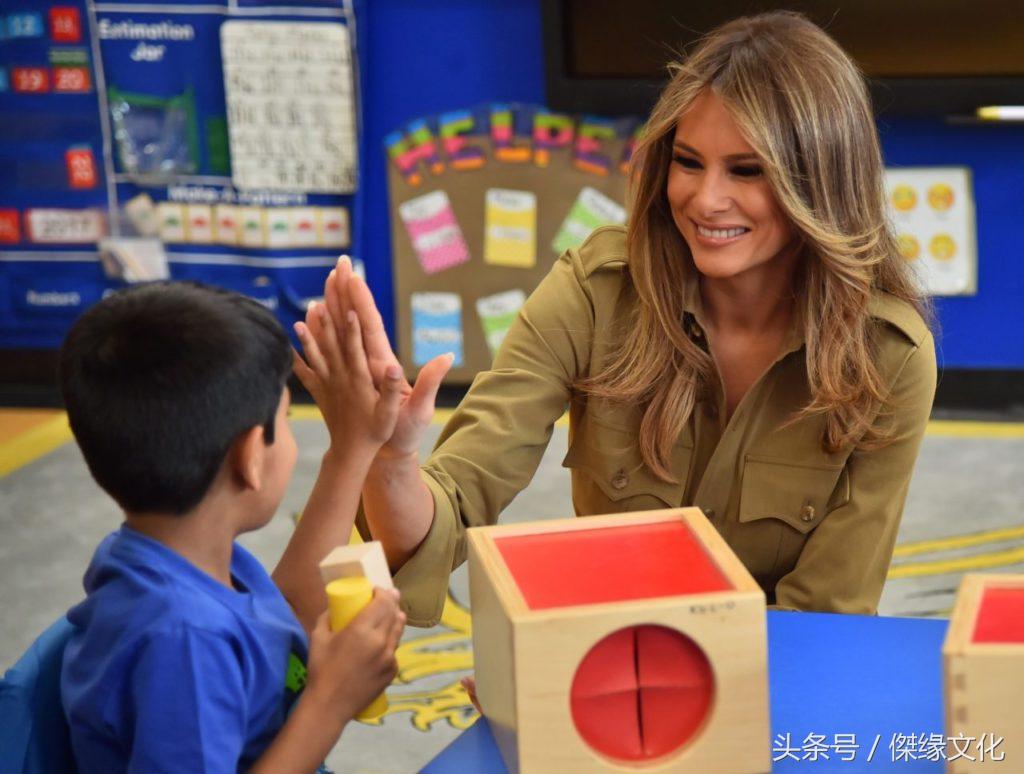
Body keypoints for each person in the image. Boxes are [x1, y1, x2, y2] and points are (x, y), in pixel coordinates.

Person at [333, 10, 937, 623]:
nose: (705, 199)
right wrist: (389, 458)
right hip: (609, 652)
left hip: (775, 668)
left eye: (747, 170)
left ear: (823, 181)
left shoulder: (890, 355)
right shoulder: (593, 292)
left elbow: (826, 616)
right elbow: (446, 515)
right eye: (689, 161)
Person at [59, 280, 407, 772]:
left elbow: (281, 617)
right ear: (250, 456)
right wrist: (331, 701)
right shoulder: (183, 642)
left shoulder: (166, 556)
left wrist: (354, 446)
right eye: (286, 419)